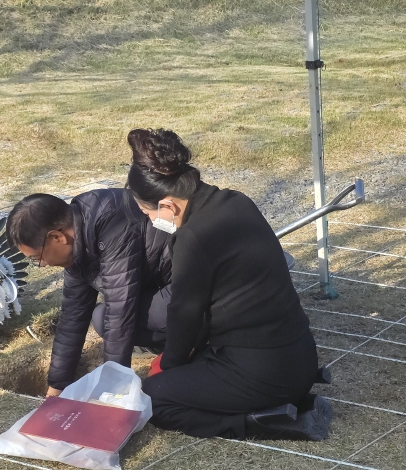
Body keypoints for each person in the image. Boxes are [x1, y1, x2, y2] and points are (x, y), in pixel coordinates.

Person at [125, 128, 332, 440]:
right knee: (190, 371)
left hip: (262, 372)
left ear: (168, 206)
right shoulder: (237, 202)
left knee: (152, 398)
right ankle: (291, 400)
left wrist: (170, 364)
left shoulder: (193, 236)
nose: (150, 221)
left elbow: (184, 312)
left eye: (147, 213)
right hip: (299, 358)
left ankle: (261, 420)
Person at [5, 190, 174, 398]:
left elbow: (120, 310)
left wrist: (113, 389)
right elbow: (72, 317)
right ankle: (167, 342)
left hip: (193, 288)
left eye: (37, 258)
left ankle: (195, 341)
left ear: (57, 237)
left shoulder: (112, 223)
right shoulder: (78, 238)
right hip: (159, 286)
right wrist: (57, 386)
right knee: (101, 318)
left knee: (117, 317)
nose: (42, 265)